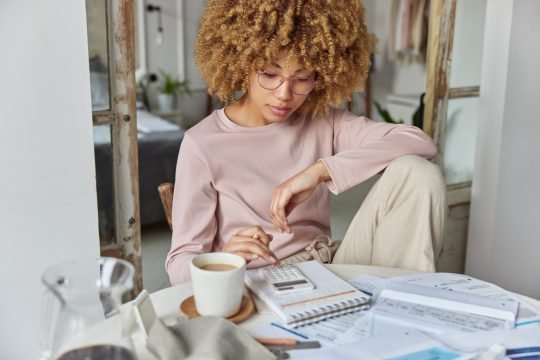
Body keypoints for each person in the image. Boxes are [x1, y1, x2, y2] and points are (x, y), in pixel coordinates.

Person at [166, 0, 446, 285]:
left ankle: (406, 303)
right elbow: (179, 266)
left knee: (417, 172)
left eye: (302, 78)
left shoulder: (323, 121)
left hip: (328, 264)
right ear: (241, 62)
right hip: (258, 280)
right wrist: (225, 258)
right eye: (270, 74)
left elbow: (419, 142)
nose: (284, 94)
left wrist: (319, 172)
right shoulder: (201, 143)